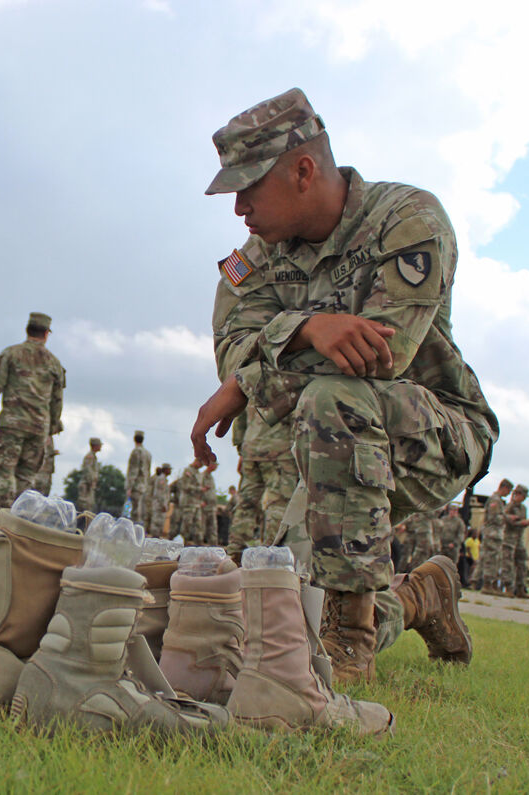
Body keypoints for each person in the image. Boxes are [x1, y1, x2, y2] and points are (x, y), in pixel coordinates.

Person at [191, 87, 497, 682]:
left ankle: (350, 645)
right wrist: (307, 329)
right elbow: (231, 348)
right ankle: (417, 597)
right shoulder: (256, 259)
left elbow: (384, 356)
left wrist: (252, 376)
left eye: (248, 188)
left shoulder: (406, 219)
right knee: (268, 615)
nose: (238, 209)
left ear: (303, 171)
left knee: (336, 396)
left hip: (433, 434)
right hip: (311, 448)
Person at [0, 312, 66, 509]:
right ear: (46, 334)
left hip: (12, 424)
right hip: (38, 429)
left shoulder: (10, 354)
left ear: (27, 329)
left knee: (4, 473)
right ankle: (20, 525)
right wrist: (50, 429)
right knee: (26, 478)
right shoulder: (55, 363)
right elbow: (57, 401)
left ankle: (3, 521)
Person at [226, 411, 298, 561]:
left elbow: (239, 413)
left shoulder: (251, 386)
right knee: (278, 501)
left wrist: (241, 449)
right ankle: (272, 556)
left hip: (251, 446)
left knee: (246, 502)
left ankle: (235, 552)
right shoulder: (290, 385)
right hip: (279, 447)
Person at [476, 479, 513, 593]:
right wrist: (508, 518)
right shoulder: (495, 500)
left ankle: (490, 584)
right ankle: (487, 584)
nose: (509, 493)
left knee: (493, 559)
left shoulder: (498, 500)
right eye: (509, 490)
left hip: (494, 534)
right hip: (492, 533)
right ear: (504, 487)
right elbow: (494, 518)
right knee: (491, 559)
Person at [502, 484, 529, 597]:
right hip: (509, 539)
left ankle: (520, 588)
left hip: (519, 540)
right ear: (517, 494)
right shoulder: (509, 507)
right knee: (508, 564)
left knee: (522, 564)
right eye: (522, 496)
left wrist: (524, 523)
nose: (523, 498)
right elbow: (508, 521)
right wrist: (522, 523)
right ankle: (508, 588)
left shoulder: (523, 508)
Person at [175, 461, 204, 544]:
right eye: (200, 463)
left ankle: (198, 544)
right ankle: (182, 543)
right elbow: (185, 486)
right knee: (187, 524)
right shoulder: (188, 470)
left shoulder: (198, 473)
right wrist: (199, 489)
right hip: (188, 502)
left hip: (196, 503)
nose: (201, 466)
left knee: (198, 525)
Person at [125, 431, 152, 525]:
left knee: (132, 512)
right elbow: (148, 471)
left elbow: (134, 470)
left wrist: (129, 487)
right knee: (140, 511)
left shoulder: (136, 451)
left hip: (135, 486)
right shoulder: (148, 453)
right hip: (143, 486)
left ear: (134, 439)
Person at [147, 463, 173, 538]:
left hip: (161, 505)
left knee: (160, 522)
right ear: (165, 470)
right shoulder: (161, 479)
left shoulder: (164, 479)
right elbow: (159, 493)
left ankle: (156, 537)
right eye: (169, 469)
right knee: (157, 522)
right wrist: (163, 505)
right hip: (159, 505)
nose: (170, 471)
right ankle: (154, 538)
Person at [76, 438, 101, 513]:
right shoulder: (89, 456)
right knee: (85, 507)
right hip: (86, 486)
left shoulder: (93, 456)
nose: (100, 447)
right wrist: (91, 481)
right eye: (99, 445)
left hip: (89, 486)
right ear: (95, 446)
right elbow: (88, 471)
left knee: (89, 507)